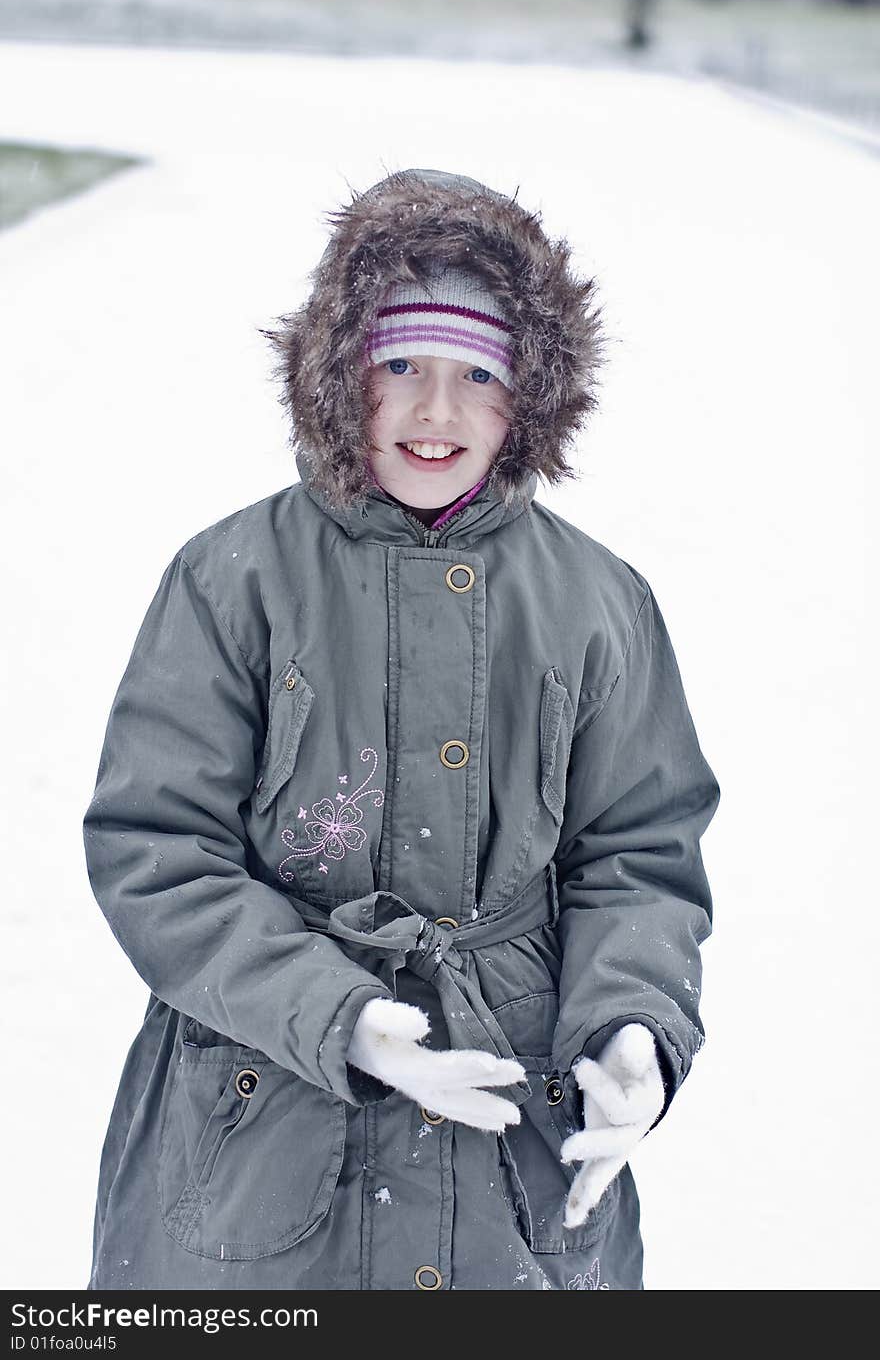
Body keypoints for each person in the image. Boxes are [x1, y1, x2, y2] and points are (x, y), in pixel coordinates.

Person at [82, 166, 720, 1292]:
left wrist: (630, 1027)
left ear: (532, 392)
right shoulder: (231, 580)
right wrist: (343, 1019)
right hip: (263, 1109)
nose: (436, 411)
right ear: (337, 380)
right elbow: (159, 851)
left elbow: (639, 856)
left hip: (513, 1118)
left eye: (478, 372)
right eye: (398, 367)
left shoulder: (597, 602)